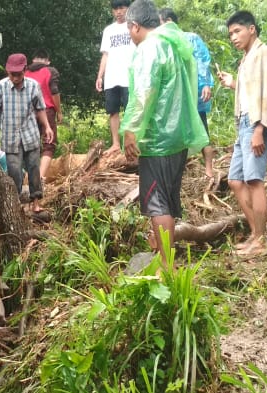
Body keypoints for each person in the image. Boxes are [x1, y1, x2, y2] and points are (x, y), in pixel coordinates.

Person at [121, 0, 208, 263]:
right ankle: (164, 257)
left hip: (158, 138)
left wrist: (130, 129)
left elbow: (144, 93)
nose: (129, 34)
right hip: (177, 137)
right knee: (167, 202)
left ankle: (167, 266)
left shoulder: (150, 48)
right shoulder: (173, 44)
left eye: (128, 28)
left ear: (135, 26)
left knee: (156, 203)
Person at [216, 10, 267, 257]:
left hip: (254, 124)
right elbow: (251, 91)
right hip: (243, 124)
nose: (233, 37)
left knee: (254, 181)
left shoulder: (262, 52)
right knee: (235, 180)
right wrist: (232, 82)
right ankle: (256, 235)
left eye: (237, 31)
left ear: (252, 29)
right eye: (230, 34)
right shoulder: (248, 57)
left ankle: (260, 241)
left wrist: (259, 129)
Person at [0, 53, 54, 215]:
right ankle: (15, 204)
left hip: (30, 136)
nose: (15, 77)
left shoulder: (33, 86)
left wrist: (47, 127)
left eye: (18, 74)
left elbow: (40, 109)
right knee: (14, 173)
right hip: (11, 139)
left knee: (34, 168)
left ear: (25, 70)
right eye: (12, 74)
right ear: (8, 72)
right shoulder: (1, 87)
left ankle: (35, 203)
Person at [157, 8, 217, 189]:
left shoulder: (190, 38)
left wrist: (205, 83)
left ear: (167, 21)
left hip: (194, 94)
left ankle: (209, 170)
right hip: (176, 97)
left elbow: (202, 62)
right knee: (179, 133)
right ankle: (178, 171)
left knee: (202, 129)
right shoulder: (164, 41)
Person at [96, 0, 135, 155]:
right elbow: (105, 54)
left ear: (128, 9)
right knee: (113, 111)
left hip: (129, 76)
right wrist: (100, 76)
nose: (118, 12)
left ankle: (130, 143)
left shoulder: (134, 27)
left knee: (130, 110)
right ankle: (115, 144)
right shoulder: (109, 30)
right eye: (115, 9)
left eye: (122, 8)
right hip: (112, 77)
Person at [24, 49, 62, 182]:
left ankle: (27, 177)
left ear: (33, 59)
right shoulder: (50, 71)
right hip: (47, 111)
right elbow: (54, 92)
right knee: (49, 144)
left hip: (28, 113)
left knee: (30, 144)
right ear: (47, 61)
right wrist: (59, 112)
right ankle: (39, 178)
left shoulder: (25, 72)